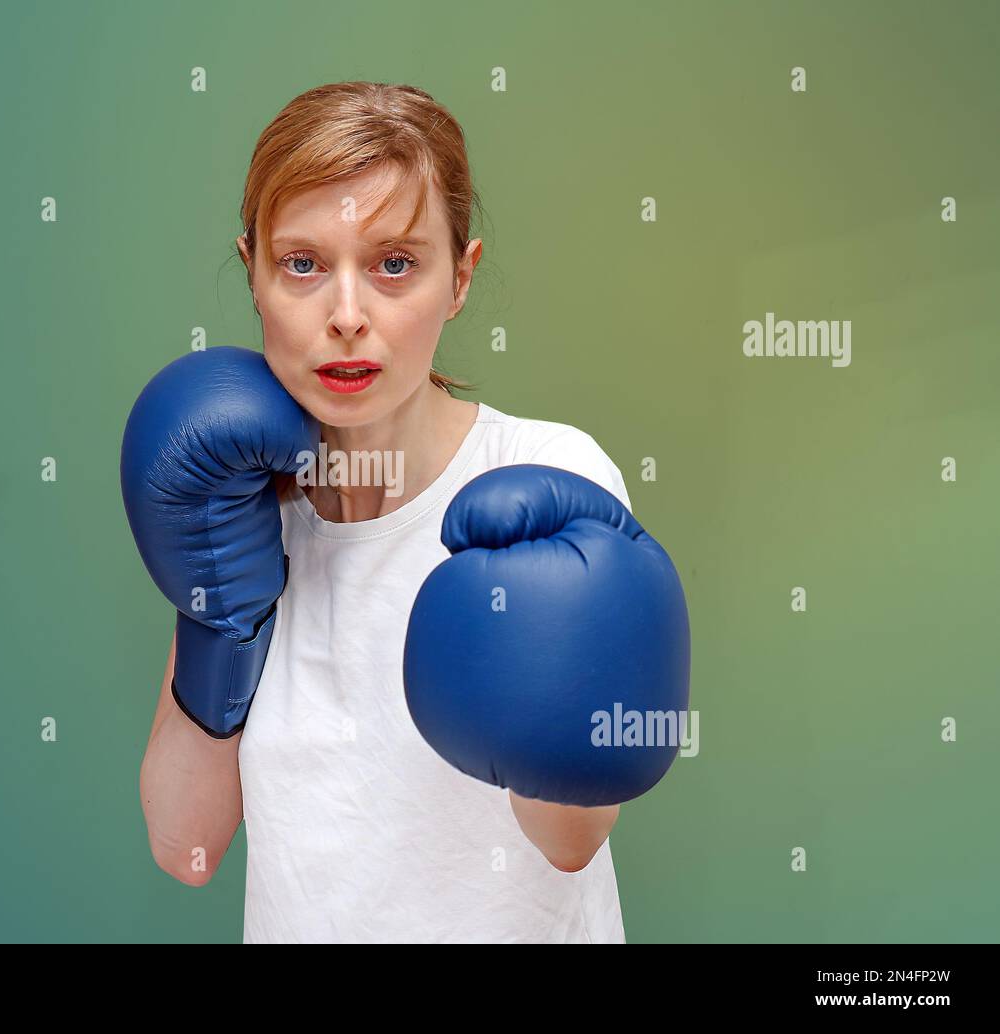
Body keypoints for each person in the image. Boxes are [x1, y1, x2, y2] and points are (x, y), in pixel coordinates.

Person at [126, 82, 688, 943]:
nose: (347, 316)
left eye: (395, 264)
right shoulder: (241, 512)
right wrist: (219, 624)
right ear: (253, 273)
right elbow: (185, 845)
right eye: (303, 264)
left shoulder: (544, 476)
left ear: (459, 278)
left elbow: (570, 846)